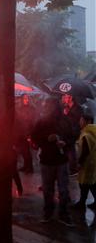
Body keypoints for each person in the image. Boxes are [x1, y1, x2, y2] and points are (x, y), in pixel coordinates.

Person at [31, 97, 74, 226]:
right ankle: (50, 212)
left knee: (62, 189)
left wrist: (64, 143)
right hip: (48, 160)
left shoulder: (65, 121)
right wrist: (46, 139)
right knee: (49, 189)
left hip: (60, 160)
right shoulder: (42, 122)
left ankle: (62, 214)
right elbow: (34, 139)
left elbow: (71, 138)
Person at [72, 109, 96, 211]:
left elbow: (85, 151)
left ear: (88, 121)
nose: (80, 122)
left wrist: (79, 163)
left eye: (81, 120)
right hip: (93, 162)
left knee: (84, 183)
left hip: (87, 163)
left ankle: (81, 203)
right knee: (91, 183)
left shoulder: (86, 135)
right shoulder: (94, 131)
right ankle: (84, 202)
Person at [61, 94, 83, 176]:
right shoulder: (65, 107)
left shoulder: (78, 108)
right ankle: (69, 167)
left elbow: (77, 120)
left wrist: (68, 113)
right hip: (66, 130)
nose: (65, 98)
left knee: (70, 149)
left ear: (71, 97)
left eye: (66, 97)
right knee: (67, 149)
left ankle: (73, 169)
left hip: (73, 131)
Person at [15, 94, 36, 174]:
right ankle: (25, 166)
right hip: (20, 132)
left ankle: (30, 168)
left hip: (28, 132)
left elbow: (32, 121)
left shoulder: (32, 109)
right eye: (24, 98)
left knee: (27, 151)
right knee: (23, 151)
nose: (26, 100)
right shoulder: (20, 108)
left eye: (27, 98)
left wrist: (30, 133)